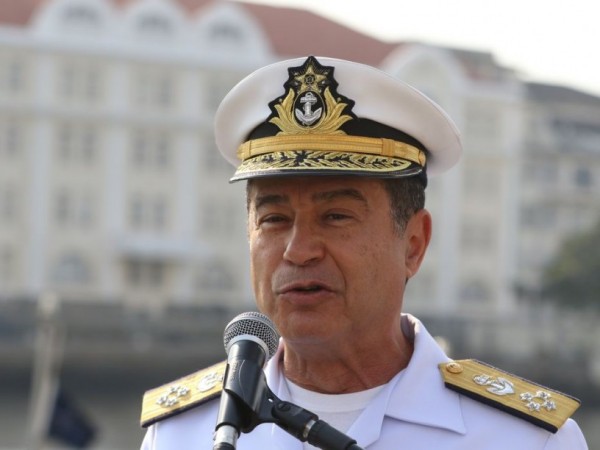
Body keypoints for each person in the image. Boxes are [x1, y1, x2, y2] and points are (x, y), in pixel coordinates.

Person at [139, 56, 588, 449]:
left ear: (414, 244)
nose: (298, 250)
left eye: (336, 216)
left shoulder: (525, 439)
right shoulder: (183, 433)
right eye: (274, 219)